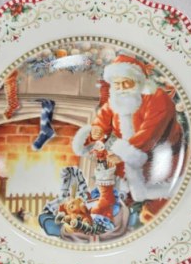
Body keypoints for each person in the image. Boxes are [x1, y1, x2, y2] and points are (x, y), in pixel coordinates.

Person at [72, 54, 183, 222]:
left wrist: (122, 154)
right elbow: (102, 122)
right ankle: (109, 212)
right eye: (117, 84)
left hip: (160, 161)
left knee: (159, 207)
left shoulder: (158, 98)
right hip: (129, 161)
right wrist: (94, 133)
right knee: (117, 191)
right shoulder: (115, 101)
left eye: (127, 82)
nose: (122, 88)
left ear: (138, 81)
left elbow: (150, 134)